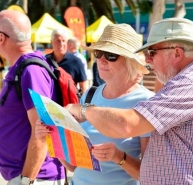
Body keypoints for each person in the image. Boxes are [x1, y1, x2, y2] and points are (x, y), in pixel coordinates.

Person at [65, 18, 193, 184]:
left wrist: (82, 110)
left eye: (152, 52)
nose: (147, 59)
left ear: (177, 53)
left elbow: (127, 124)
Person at [35, 24, 153, 185]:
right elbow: (74, 167)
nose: (102, 60)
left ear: (130, 62)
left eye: (111, 55)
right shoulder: (91, 95)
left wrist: (119, 157)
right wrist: (50, 138)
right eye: (98, 53)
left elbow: (150, 176)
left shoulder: (147, 102)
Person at [0, 10, 65, 185]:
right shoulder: (22, 68)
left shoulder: (31, 71)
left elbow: (43, 130)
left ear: (1, 38)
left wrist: (26, 180)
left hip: (35, 178)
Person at [46, 29, 88, 95]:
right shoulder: (45, 61)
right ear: (51, 42)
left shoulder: (76, 61)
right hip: (48, 103)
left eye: (63, 41)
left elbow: (84, 87)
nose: (61, 44)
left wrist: (82, 104)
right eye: (58, 41)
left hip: (69, 104)